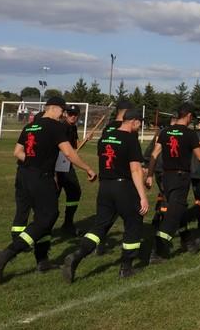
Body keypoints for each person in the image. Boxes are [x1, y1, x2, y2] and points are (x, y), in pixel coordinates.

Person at [0, 97, 97, 284]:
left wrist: (33, 162)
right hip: (40, 177)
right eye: (62, 110)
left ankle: (42, 260)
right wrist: (88, 168)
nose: (63, 114)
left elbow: (17, 152)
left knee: (42, 217)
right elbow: (69, 153)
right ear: (53, 108)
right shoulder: (55, 127)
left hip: (23, 175)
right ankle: (5, 255)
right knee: (48, 216)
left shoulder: (30, 127)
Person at [61, 109, 148, 282]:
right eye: (140, 123)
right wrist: (143, 196)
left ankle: (77, 255)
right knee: (134, 223)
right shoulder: (130, 139)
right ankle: (126, 268)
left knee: (100, 226)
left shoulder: (105, 137)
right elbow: (135, 170)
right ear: (134, 121)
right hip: (123, 186)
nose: (140, 127)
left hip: (105, 187)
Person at [145, 104, 200, 263]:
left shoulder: (165, 132)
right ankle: (158, 250)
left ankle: (187, 241)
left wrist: (149, 174)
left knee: (178, 209)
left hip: (166, 177)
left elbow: (154, 154)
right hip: (181, 177)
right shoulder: (190, 134)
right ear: (189, 116)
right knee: (173, 214)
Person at [55, 104, 83, 236]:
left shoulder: (73, 127)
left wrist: (85, 140)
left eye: (75, 114)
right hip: (58, 163)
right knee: (53, 194)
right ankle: (43, 225)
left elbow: (75, 147)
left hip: (67, 163)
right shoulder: (61, 127)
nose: (72, 116)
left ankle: (68, 223)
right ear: (65, 114)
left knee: (74, 192)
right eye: (70, 114)